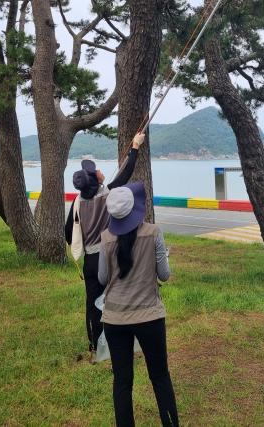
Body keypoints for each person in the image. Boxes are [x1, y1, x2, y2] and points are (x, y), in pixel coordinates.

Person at [98, 181, 179, 427]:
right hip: (149, 317)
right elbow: (164, 275)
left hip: (114, 318)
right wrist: (161, 258)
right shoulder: (154, 232)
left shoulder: (106, 238)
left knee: (122, 382)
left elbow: (102, 278)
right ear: (136, 209)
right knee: (160, 376)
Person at [65, 132, 145, 363]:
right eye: (95, 171)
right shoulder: (108, 193)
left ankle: (94, 347)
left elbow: (68, 232)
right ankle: (120, 342)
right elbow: (126, 173)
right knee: (116, 297)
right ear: (97, 180)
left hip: (90, 261)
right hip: (109, 255)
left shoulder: (77, 202)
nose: (99, 170)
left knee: (92, 304)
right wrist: (135, 146)